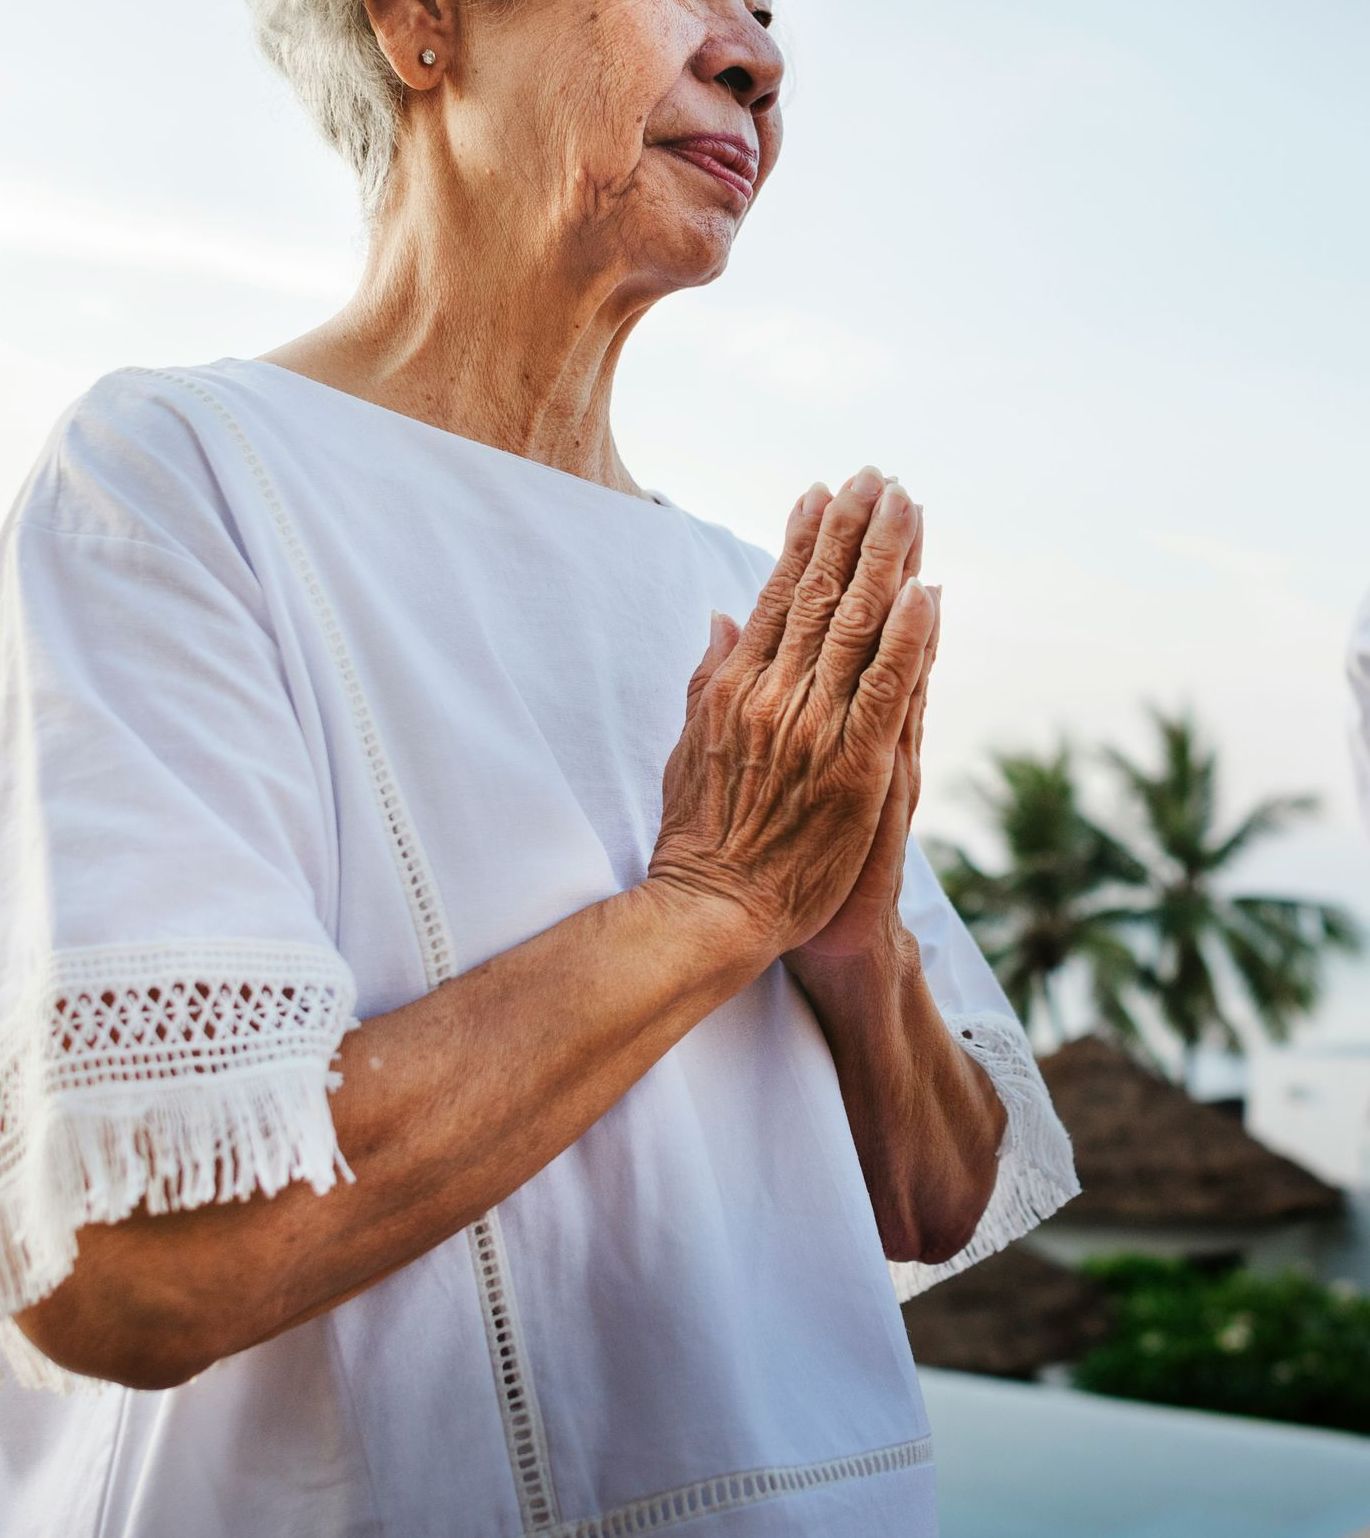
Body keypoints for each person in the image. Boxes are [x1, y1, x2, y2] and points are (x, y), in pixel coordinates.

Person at [0, 2, 1082, 1534]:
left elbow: (932, 1200)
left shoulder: (736, 595)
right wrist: (712, 902)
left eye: (768, 18)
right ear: (421, 28)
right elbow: (131, 1269)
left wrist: (855, 945)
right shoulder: (179, 473)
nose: (754, 61)